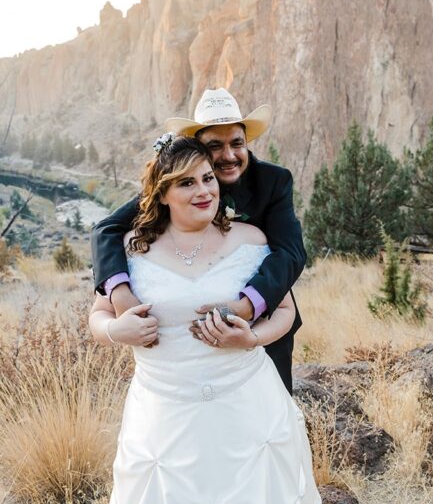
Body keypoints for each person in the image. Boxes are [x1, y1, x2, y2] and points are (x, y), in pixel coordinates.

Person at [89, 136, 386, 504]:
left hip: (244, 404)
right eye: (187, 183)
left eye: (208, 179)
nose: (204, 191)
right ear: (163, 193)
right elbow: (96, 316)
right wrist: (117, 329)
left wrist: (252, 339)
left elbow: (284, 310)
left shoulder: (249, 240)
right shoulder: (132, 249)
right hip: (163, 413)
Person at [91, 88, 305, 392]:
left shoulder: (273, 181)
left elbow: (291, 253)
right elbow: (107, 229)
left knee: (275, 400)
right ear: (198, 150)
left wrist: (247, 307)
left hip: (266, 314)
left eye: (237, 144)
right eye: (215, 146)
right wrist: (121, 294)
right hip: (183, 348)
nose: (229, 156)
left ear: (247, 144)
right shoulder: (181, 182)